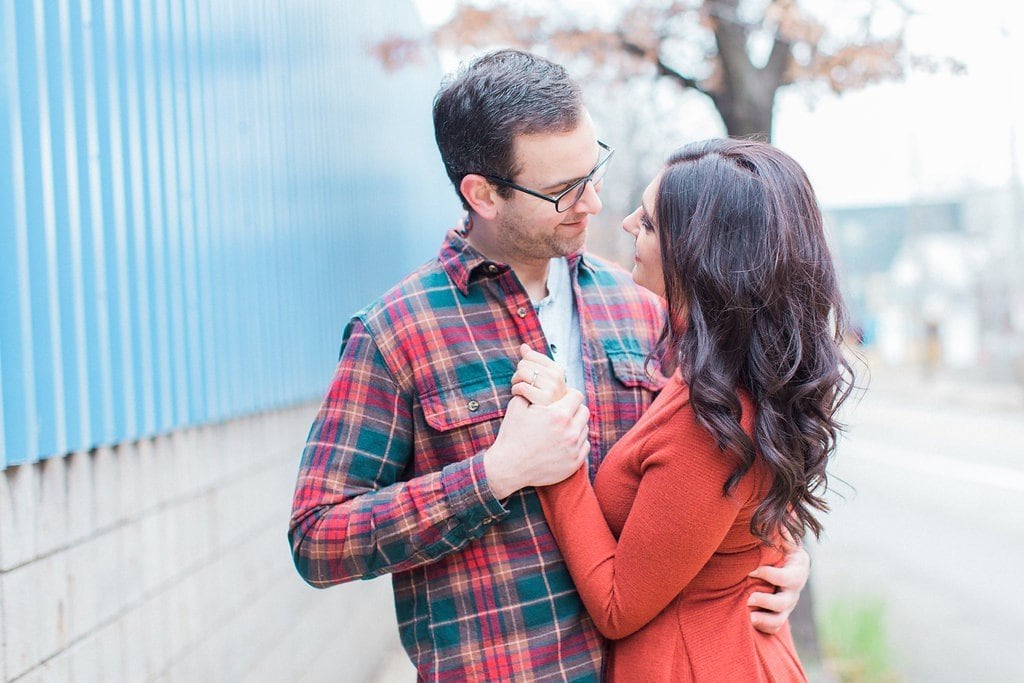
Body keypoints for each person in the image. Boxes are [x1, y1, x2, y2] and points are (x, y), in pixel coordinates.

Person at [289, 50, 809, 681]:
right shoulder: (397, 335)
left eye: (592, 171)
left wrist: (772, 547)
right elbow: (318, 539)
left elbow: (726, 455)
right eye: (564, 190)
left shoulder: (641, 305)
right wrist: (492, 476)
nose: (592, 203)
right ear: (482, 194)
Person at [512, 139, 854, 681]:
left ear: (700, 256)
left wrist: (556, 451)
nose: (624, 224)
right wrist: (777, 548)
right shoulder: (725, 369)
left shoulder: (711, 421)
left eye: (647, 223)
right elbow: (741, 507)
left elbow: (618, 604)